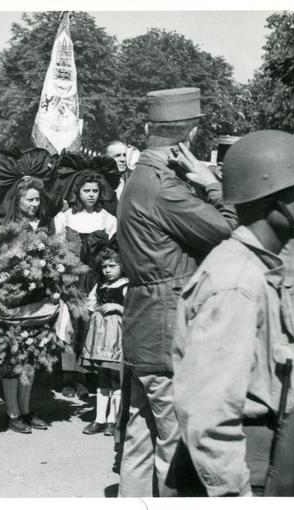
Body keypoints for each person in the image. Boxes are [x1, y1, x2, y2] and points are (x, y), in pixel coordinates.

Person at [116, 87, 238, 497]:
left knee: (139, 438)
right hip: (170, 325)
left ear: (151, 129)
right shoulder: (166, 188)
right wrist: (214, 184)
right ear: (189, 138)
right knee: (176, 446)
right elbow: (227, 232)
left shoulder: (141, 180)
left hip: (146, 322)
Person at [170, 130, 294, 497]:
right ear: (273, 201)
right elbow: (209, 411)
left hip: (256, 458)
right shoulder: (237, 280)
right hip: (235, 468)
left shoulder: (255, 267)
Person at [0, 176, 59, 434]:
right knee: (12, 356)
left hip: (37, 299)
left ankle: (26, 409)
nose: (34, 203)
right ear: (17, 201)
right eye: (29, 199)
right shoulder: (5, 227)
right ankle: (12, 412)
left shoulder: (44, 226)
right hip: (13, 299)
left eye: (37, 199)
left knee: (32, 353)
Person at [54, 172, 117, 399]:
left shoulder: (107, 219)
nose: (91, 195)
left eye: (95, 191)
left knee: (88, 325)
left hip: (94, 279)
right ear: (77, 192)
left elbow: (110, 254)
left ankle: (83, 377)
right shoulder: (65, 218)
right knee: (68, 326)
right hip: (70, 278)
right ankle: (67, 377)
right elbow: (57, 250)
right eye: (86, 191)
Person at [80, 245, 127, 436]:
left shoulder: (125, 286)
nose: (107, 270)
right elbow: (90, 304)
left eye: (112, 266)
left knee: (116, 378)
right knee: (102, 377)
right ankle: (99, 419)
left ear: (122, 266)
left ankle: (113, 419)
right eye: (105, 267)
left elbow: (132, 309)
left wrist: (116, 307)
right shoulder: (99, 286)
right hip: (99, 337)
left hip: (116, 337)